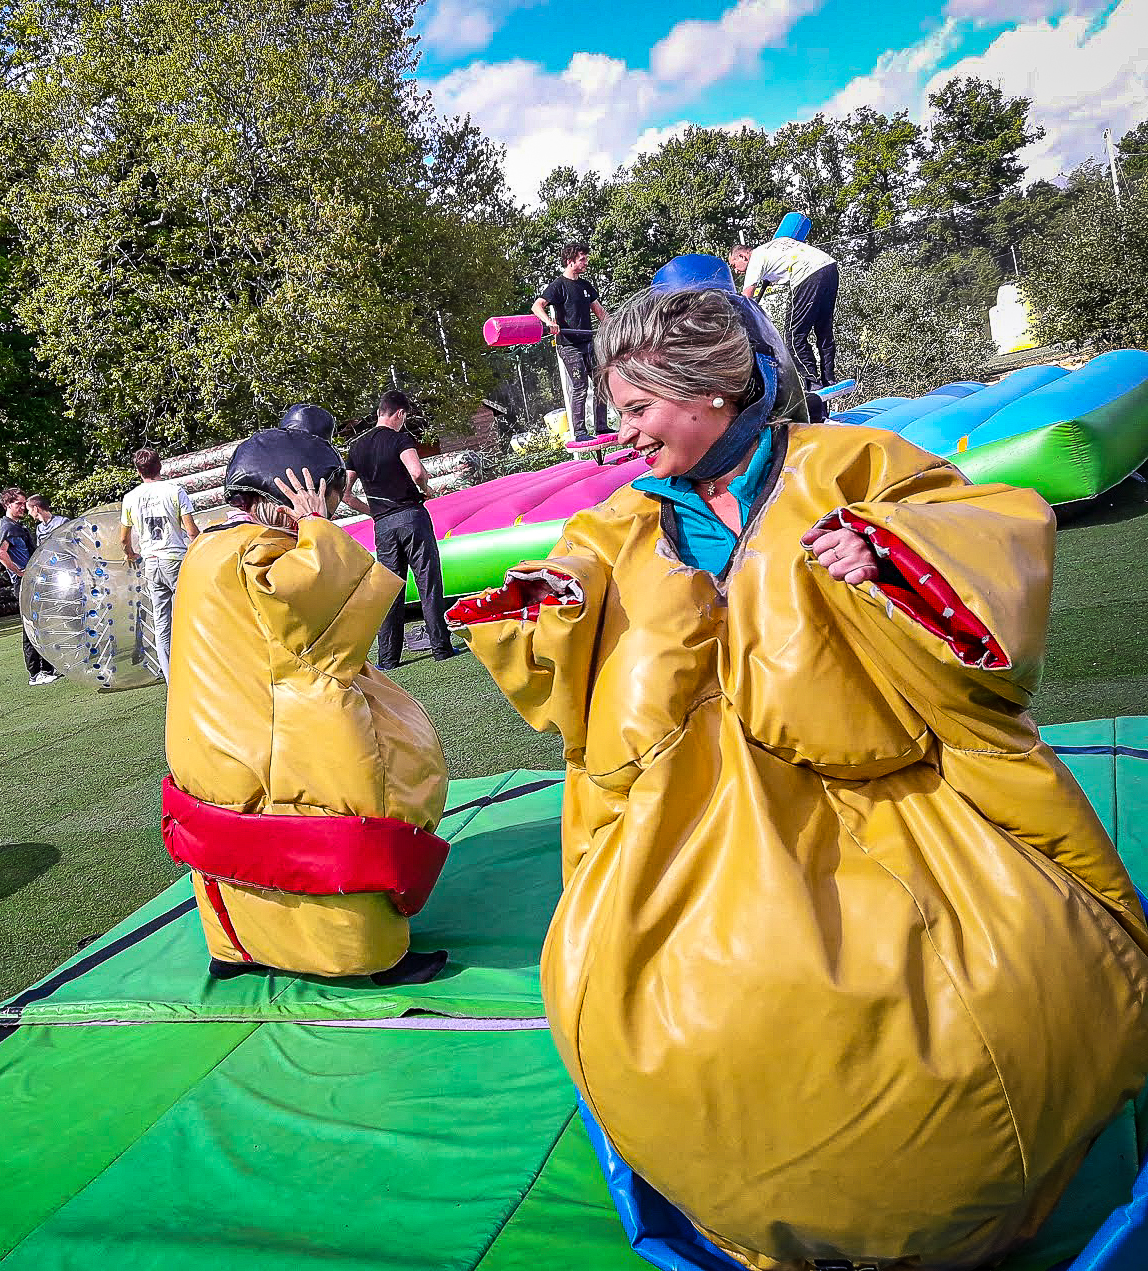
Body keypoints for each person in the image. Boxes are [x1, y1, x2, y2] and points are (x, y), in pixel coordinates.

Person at [446, 279, 1148, 1270]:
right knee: (653, 999)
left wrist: (893, 553)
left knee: (990, 991)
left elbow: (988, 528)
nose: (626, 432)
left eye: (639, 408)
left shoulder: (851, 463)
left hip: (898, 794)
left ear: (711, 393)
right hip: (690, 819)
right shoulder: (621, 526)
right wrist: (554, 602)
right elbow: (569, 612)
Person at [163, 408, 449, 986]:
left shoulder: (208, 549)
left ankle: (236, 946)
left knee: (228, 837)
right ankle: (363, 954)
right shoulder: (260, 557)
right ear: (296, 494)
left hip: (211, 735)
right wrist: (317, 530)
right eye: (330, 497)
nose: (336, 508)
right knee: (340, 815)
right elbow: (320, 618)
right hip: (279, 738)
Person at [343, 391, 459, 670]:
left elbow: (345, 494)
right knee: (427, 582)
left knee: (390, 589)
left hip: (383, 526)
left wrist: (375, 511)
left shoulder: (356, 447)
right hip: (411, 517)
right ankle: (441, 648)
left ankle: (388, 658)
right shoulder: (400, 439)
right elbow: (416, 471)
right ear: (400, 414)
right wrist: (426, 488)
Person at [119, 448, 199, 680]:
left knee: (161, 619)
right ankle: (198, 664)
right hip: (174, 558)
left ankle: (170, 674)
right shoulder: (174, 491)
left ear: (138, 470)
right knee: (190, 611)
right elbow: (192, 531)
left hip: (151, 562)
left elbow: (124, 538)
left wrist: (130, 554)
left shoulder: (130, 498)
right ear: (160, 466)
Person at [729, 236, 839, 389]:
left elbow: (746, 298)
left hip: (807, 274)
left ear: (743, 256)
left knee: (794, 337)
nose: (736, 271)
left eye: (734, 265)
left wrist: (735, 320)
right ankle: (829, 378)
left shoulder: (755, 258)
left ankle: (812, 382)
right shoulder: (773, 247)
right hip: (829, 267)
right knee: (823, 329)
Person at [532, 240, 611, 437]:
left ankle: (601, 427)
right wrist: (550, 322)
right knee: (580, 386)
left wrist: (613, 327)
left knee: (601, 383)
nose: (585, 263)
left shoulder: (586, 285)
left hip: (588, 343)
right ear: (570, 262)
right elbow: (537, 306)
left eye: (585, 259)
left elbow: (600, 312)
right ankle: (580, 432)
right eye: (582, 259)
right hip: (569, 346)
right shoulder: (558, 286)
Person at [0, 487, 56, 685]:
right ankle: (35, 673)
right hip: (23, 582)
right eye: (18, 504)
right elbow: (1, 554)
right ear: (7, 505)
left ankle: (47, 669)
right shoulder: (7, 527)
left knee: (41, 623)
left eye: (23, 504)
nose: (23, 507)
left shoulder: (17, 526)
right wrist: (19, 572)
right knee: (30, 626)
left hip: (32, 580)